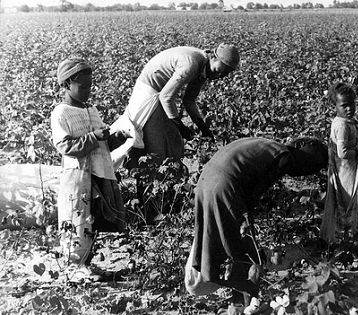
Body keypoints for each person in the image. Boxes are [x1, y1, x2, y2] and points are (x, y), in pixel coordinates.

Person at [184, 137, 328, 310]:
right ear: (299, 146)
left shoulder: (264, 144)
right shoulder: (285, 156)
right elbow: (254, 193)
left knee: (218, 235)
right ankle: (246, 303)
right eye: (311, 163)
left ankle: (237, 297)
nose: (306, 171)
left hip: (206, 181)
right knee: (244, 248)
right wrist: (245, 217)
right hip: (224, 185)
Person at [51, 57, 132, 280]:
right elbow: (65, 146)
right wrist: (93, 138)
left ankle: (87, 262)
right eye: (82, 87)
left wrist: (117, 137)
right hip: (77, 175)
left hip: (98, 172)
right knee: (77, 217)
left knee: (94, 218)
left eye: (90, 86)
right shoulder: (61, 113)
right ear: (66, 85)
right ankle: (74, 266)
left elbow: (101, 143)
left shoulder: (91, 109)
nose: (88, 91)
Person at [110, 43, 240, 168]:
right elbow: (165, 97)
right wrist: (181, 126)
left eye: (224, 74)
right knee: (163, 143)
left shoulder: (206, 68)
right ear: (213, 57)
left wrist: (204, 128)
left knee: (172, 143)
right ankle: (148, 177)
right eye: (218, 71)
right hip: (148, 93)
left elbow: (189, 100)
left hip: (159, 94)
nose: (218, 76)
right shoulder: (191, 65)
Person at [320, 82, 358, 244]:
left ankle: (342, 239)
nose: (349, 109)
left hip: (345, 170)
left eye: (351, 104)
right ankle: (342, 242)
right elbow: (343, 152)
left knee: (343, 203)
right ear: (336, 106)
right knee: (345, 204)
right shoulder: (341, 126)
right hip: (344, 173)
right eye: (344, 105)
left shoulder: (344, 122)